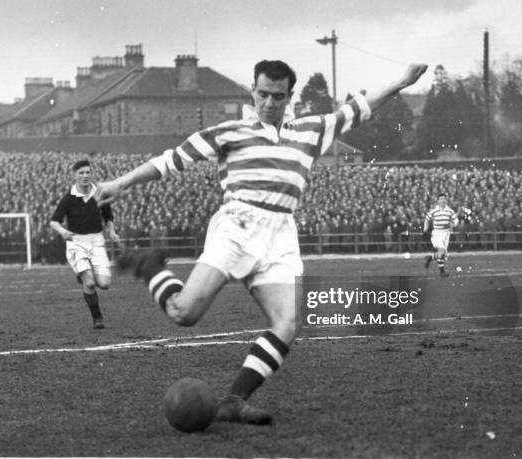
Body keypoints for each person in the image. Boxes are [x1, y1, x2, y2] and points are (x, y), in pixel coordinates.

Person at [96, 60, 428, 423]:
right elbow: (171, 161)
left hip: (280, 235)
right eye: (263, 94)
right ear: (253, 91)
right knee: (183, 314)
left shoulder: (312, 130)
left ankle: (234, 400)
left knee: (289, 321)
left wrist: (400, 82)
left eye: (278, 96)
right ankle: (151, 267)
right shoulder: (229, 131)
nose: (269, 102)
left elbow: (360, 108)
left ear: (290, 97)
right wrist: (119, 184)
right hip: (237, 226)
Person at [50, 159, 121, 329]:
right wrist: (63, 232)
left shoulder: (99, 194)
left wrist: (111, 231)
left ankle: (82, 273)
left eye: (87, 172)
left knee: (104, 284)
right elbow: (54, 221)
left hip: (97, 241)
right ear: (74, 176)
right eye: (81, 173)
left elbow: (108, 216)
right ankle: (97, 318)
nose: (85, 176)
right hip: (77, 242)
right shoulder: (68, 199)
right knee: (89, 283)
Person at [423, 192, 459, 277]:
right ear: (438, 201)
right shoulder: (434, 211)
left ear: (446, 200)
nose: (443, 200)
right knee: (442, 251)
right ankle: (442, 272)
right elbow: (427, 219)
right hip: (437, 233)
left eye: (444, 199)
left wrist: (452, 224)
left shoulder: (450, 211)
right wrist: (425, 228)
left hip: (446, 234)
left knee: (442, 254)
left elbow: (456, 221)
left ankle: (430, 258)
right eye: (441, 199)